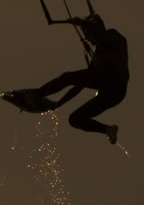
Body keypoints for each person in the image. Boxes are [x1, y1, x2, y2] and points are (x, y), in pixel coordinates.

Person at [36, 14, 128, 144]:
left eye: (86, 34)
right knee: (75, 119)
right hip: (111, 94)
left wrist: (82, 23)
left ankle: (36, 95)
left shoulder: (114, 36)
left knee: (67, 77)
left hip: (113, 82)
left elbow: (101, 35)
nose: (86, 38)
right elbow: (80, 84)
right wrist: (59, 103)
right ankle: (108, 129)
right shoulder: (98, 56)